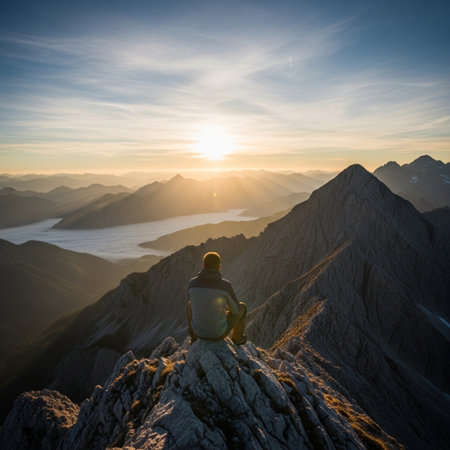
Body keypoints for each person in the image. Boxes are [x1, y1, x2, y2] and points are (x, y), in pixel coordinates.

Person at [187, 251, 247, 345]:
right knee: (242, 307)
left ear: (203, 266)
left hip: (198, 332)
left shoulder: (192, 284)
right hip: (218, 334)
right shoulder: (225, 286)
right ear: (219, 267)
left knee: (189, 305)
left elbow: (196, 304)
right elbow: (235, 311)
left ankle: (194, 339)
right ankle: (237, 339)